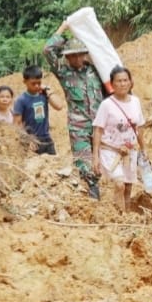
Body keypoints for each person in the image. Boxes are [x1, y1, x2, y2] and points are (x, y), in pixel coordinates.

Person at [44, 23, 106, 199]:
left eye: (79, 55)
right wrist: (63, 29)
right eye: (72, 56)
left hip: (100, 125)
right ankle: (93, 194)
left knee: (104, 162)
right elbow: (47, 50)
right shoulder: (64, 72)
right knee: (84, 164)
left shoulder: (95, 71)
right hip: (79, 126)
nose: (76, 59)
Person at [91, 66, 147, 211]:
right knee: (119, 183)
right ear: (112, 84)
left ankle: (126, 214)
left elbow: (139, 127)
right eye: (119, 81)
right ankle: (117, 214)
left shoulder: (135, 102)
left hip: (130, 151)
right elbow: (98, 130)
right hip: (111, 150)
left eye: (125, 80)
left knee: (128, 186)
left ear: (130, 82)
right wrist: (95, 156)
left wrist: (144, 149)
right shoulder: (106, 105)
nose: (122, 84)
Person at [13, 65, 64, 154]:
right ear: (25, 82)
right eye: (33, 83)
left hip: (47, 138)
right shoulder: (21, 100)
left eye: (39, 83)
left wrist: (47, 90)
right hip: (32, 141)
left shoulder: (44, 94)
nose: (37, 86)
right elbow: (17, 124)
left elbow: (59, 106)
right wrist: (27, 140)